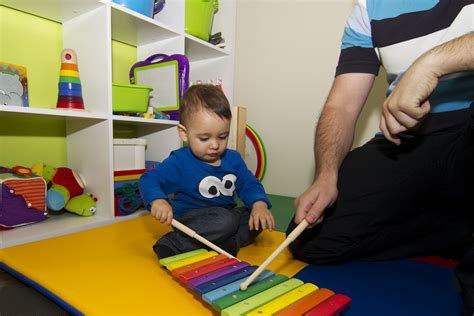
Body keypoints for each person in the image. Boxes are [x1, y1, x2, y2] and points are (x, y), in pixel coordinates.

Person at [286, 1, 474, 313]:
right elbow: (342, 105)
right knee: (313, 238)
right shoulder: (367, 9)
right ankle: (454, 227)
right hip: (409, 140)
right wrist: (326, 175)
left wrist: (431, 63)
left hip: (468, 126)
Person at [140, 84, 275, 259]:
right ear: (184, 133)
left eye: (222, 137)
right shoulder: (181, 161)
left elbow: (249, 184)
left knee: (255, 219)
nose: (215, 145)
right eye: (204, 138)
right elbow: (149, 179)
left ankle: (227, 244)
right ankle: (174, 243)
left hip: (225, 217)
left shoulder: (233, 159)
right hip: (192, 221)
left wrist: (259, 205)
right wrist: (158, 200)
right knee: (225, 220)